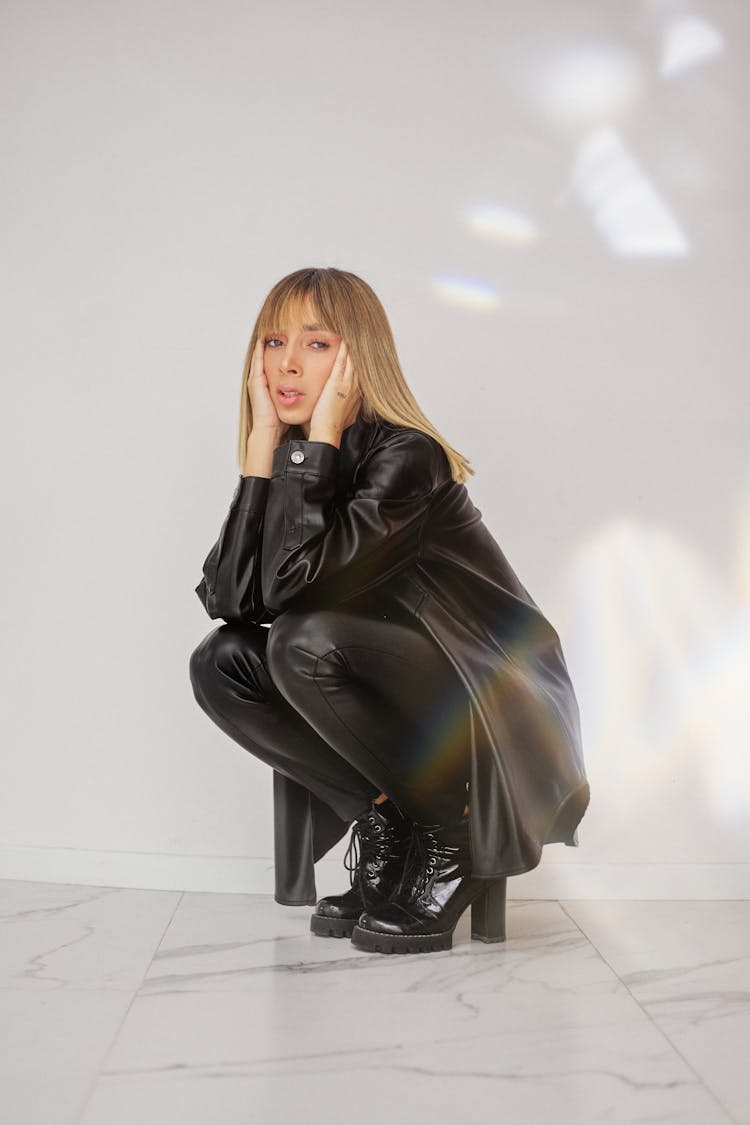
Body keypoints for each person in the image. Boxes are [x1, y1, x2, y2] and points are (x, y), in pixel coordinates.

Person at [189, 266, 590, 956]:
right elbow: (232, 601)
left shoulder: (407, 454)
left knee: (302, 641)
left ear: (355, 358)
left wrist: (307, 453)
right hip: (388, 677)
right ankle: (390, 821)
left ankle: (451, 830)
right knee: (222, 661)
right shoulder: (290, 458)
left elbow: (299, 591)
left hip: (486, 686)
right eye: (272, 340)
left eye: (316, 344)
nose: (286, 363)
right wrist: (261, 455)